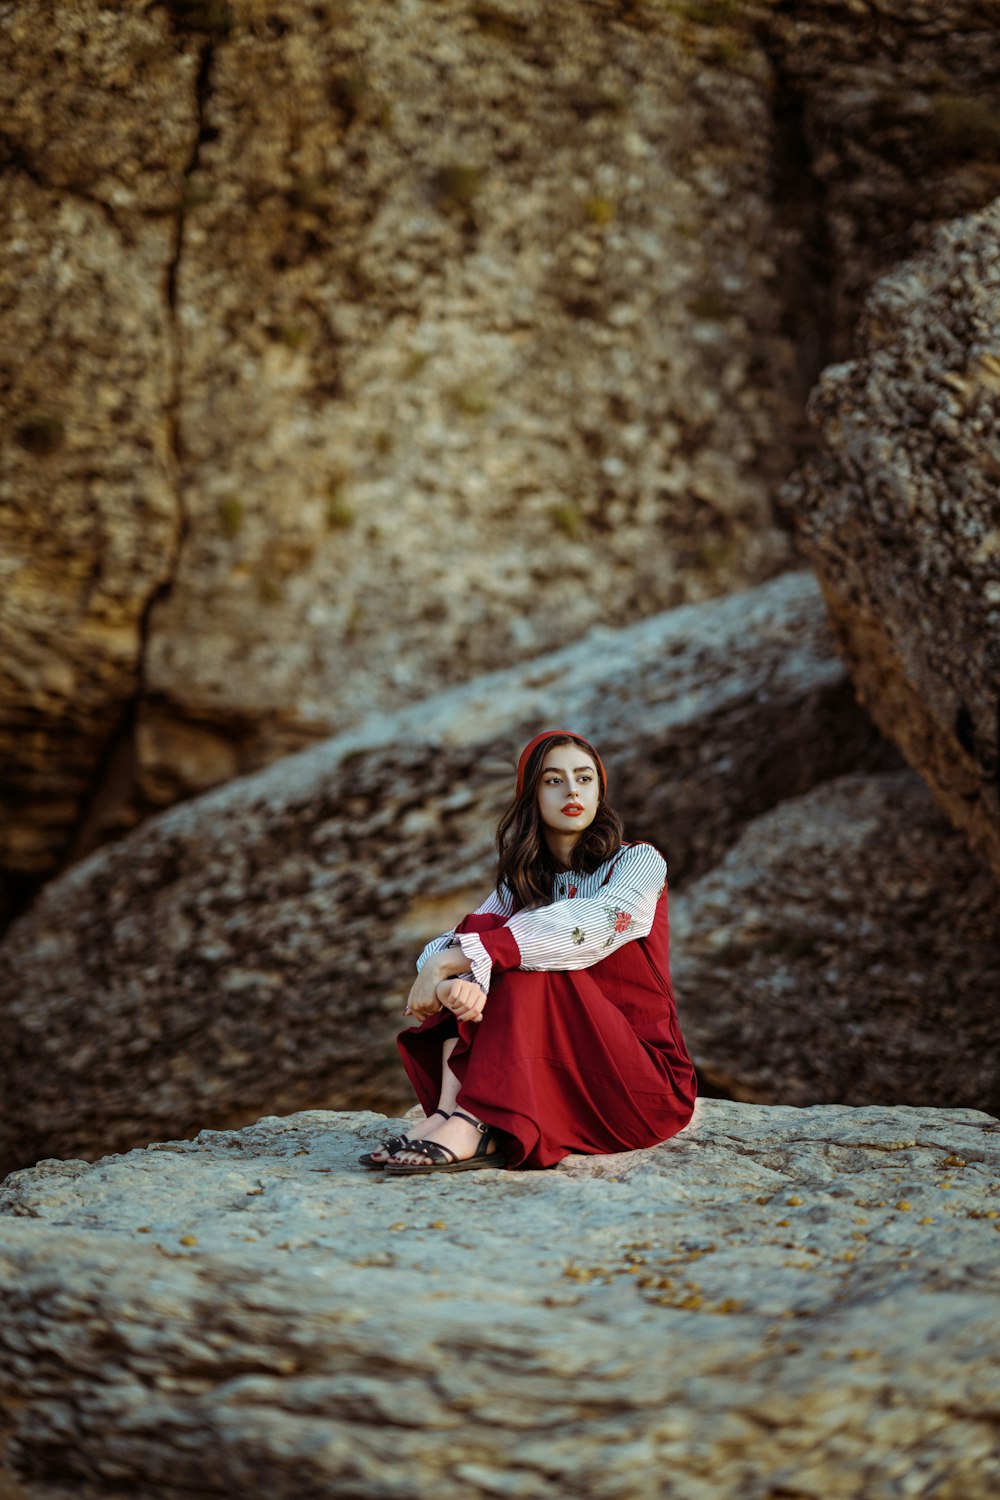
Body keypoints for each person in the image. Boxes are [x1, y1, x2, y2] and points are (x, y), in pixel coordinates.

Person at [359, 729, 697, 1175]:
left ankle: (474, 1121)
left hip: (642, 1086)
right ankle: (448, 1112)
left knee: (518, 957)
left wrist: (453, 965)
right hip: (564, 1076)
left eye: (584, 779)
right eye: (553, 780)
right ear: (531, 795)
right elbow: (461, 937)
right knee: (486, 940)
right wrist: (446, 977)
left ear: (600, 791)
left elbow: (589, 928)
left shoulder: (637, 862)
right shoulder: (523, 883)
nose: (572, 790)